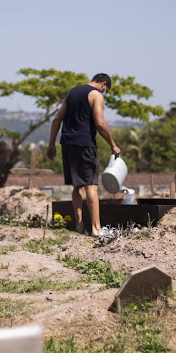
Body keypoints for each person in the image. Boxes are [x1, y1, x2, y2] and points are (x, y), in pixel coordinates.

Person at [47, 73, 121, 236]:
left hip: (67, 143)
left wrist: (51, 144)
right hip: (85, 144)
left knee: (77, 186)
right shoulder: (96, 95)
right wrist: (113, 145)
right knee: (91, 185)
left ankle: (79, 226)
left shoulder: (72, 92)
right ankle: (96, 229)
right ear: (103, 84)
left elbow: (57, 119)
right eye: (105, 90)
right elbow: (100, 123)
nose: (103, 93)